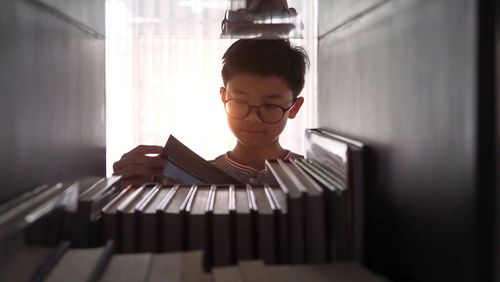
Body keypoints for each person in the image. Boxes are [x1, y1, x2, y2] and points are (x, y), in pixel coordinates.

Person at [113, 38, 309, 188]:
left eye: (270, 106)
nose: (252, 118)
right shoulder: (193, 177)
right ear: (223, 97)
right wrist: (122, 187)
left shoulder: (313, 179)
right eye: (240, 102)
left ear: (294, 107)